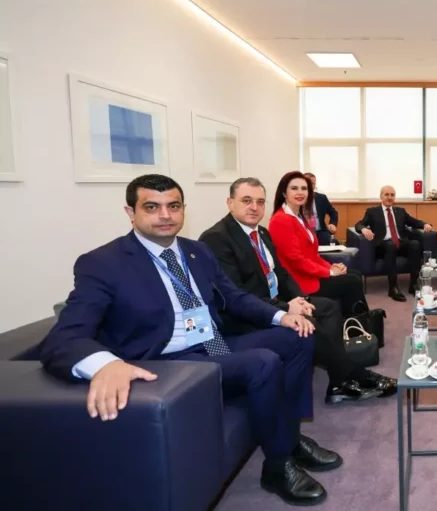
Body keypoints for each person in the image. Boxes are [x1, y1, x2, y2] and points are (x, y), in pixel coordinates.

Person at [39, 174, 339, 506]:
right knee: (263, 362)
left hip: (213, 344)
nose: (165, 215)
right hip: (168, 360)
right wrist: (105, 365)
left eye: (173, 206)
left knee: (298, 335)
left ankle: (291, 437)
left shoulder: (197, 251)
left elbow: (233, 297)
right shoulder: (103, 263)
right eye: (151, 207)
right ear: (130, 212)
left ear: (184, 209)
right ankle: (278, 467)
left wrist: (281, 316)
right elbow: (64, 336)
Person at [199, 177, 396, 404]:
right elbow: (237, 296)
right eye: (246, 201)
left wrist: (299, 298)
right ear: (230, 203)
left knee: (327, 307)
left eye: (260, 202)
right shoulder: (217, 238)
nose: (254, 207)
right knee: (308, 325)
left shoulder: (261, 233)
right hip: (249, 314)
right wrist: (286, 307)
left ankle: (337, 381)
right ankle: (355, 374)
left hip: (276, 299)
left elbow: (281, 273)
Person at [269, 171, 368, 316]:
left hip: (309, 273)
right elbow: (297, 260)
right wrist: (329, 272)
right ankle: (359, 323)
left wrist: (331, 267)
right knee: (352, 281)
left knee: (355, 274)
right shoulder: (281, 220)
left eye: (304, 188)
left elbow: (312, 255)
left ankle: (357, 321)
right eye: (294, 188)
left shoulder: (299, 217)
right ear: (284, 193)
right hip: (299, 281)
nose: (300, 192)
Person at [355, 185, 434, 302]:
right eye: (386, 194)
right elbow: (359, 224)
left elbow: (414, 222)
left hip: (400, 242)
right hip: (383, 245)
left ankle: (413, 285)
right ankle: (393, 287)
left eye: (392, 195)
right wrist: (364, 229)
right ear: (381, 196)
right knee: (390, 245)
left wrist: (425, 224)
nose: (389, 197)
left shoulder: (400, 211)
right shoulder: (372, 212)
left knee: (415, 244)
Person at [303, 173, 338, 245]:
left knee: (334, 243)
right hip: (303, 232)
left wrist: (332, 224)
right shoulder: (297, 199)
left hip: (320, 231)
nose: (311, 186)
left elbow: (333, 212)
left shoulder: (321, 198)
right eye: (308, 183)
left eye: (313, 184)